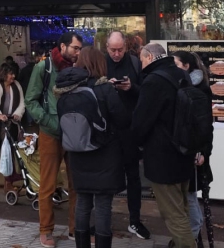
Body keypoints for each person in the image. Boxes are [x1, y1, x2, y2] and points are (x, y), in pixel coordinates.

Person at [56, 47, 131, 248]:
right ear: (100, 64)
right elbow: (122, 119)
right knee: (103, 205)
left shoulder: (67, 89)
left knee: (83, 202)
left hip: (78, 154)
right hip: (105, 154)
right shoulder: (105, 89)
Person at [131, 43, 196, 248]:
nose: (141, 64)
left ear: (149, 57)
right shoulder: (182, 74)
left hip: (162, 158)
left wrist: (136, 143)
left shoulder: (153, 81)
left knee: (174, 215)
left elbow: (141, 121)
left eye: (141, 60)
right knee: (182, 208)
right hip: (184, 152)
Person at [26, 31, 83, 247]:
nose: (78, 52)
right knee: (48, 185)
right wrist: (49, 123)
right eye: (75, 48)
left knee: (76, 184)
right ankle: (45, 230)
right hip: (51, 133)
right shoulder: (44, 67)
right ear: (63, 46)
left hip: (74, 133)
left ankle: (75, 229)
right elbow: (30, 101)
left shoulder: (78, 68)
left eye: (79, 49)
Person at [104, 31, 151, 240]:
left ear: (125, 47)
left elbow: (146, 94)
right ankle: (104, 222)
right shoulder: (100, 63)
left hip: (129, 130)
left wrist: (131, 87)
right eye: (112, 50)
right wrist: (106, 87)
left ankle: (135, 220)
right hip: (107, 130)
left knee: (133, 177)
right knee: (105, 178)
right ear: (106, 48)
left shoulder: (134, 63)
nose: (116, 54)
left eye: (120, 49)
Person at [171, 50, 214, 247]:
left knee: (189, 197)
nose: (173, 68)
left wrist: (203, 152)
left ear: (186, 66)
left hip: (193, 152)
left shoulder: (198, 90)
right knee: (186, 197)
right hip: (188, 150)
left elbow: (205, 126)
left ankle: (187, 239)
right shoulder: (186, 86)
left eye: (176, 64)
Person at [0, 62, 26, 192]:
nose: (13, 76)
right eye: (10, 74)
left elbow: (22, 103)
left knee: (10, 153)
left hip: (11, 122)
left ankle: (8, 183)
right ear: (4, 74)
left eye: (14, 73)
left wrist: (17, 114)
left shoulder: (17, 85)